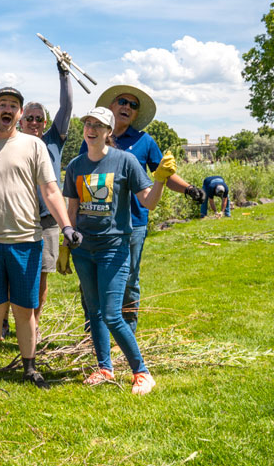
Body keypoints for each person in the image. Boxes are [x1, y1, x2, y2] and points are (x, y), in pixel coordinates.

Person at [0, 87, 78, 389]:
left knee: (25, 309)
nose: (7, 109)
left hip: (27, 241)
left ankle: (29, 368)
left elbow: (50, 191)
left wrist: (65, 226)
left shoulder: (34, 146)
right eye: (2, 105)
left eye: (13, 105)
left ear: (19, 114)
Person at [63, 107, 176, 395]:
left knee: (112, 314)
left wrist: (161, 178)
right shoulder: (76, 165)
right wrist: (67, 242)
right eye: (88, 123)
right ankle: (105, 368)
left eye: (98, 125)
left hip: (114, 248)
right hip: (83, 250)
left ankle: (142, 372)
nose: (91, 129)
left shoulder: (124, 161)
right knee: (94, 311)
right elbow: (72, 208)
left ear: (109, 131)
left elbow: (148, 202)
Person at [82, 85, 205, 333]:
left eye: (133, 105)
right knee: (92, 281)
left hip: (133, 222)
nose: (127, 107)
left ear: (136, 114)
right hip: (98, 223)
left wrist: (189, 188)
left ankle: (126, 334)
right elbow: (82, 176)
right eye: (122, 102)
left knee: (128, 279)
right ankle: (93, 335)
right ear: (112, 107)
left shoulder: (144, 141)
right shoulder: (92, 135)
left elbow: (164, 174)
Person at [20, 60, 73, 339]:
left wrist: (64, 74)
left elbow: (66, 108)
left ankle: (34, 325)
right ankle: (11, 320)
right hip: (19, 221)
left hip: (49, 221)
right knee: (16, 275)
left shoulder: (53, 139)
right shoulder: (14, 141)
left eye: (39, 118)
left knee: (41, 277)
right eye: (29, 118)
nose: (35, 122)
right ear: (21, 120)